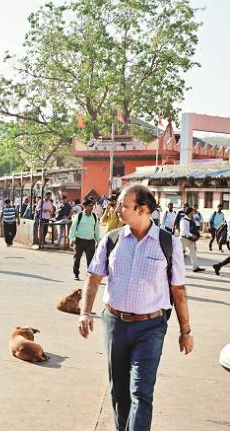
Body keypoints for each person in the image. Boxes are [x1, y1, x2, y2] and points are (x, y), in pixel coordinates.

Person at [79, 184, 193, 431]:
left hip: (150, 328)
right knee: (119, 392)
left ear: (143, 209)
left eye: (123, 204)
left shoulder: (168, 244)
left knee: (141, 392)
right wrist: (85, 312)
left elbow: (178, 291)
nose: (117, 208)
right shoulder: (112, 239)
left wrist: (186, 331)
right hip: (114, 324)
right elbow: (94, 277)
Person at [69, 199, 100, 281]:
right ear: (85, 206)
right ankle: (76, 274)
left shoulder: (94, 216)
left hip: (90, 241)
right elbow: (73, 228)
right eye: (89, 206)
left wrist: (98, 241)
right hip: (79, 240)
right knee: (77, 258)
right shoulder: (79, 216)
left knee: (91, 259)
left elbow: (96, 230)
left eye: (92, 206)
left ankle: (89, 276)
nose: (91, 207)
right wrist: (72, 239)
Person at [179, 207, 204, 273]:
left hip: (190, 240)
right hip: (183, 239)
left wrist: (197, 235)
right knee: (177, 254)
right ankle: (171, 266)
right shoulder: (183, 220)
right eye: (192, 212)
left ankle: (195, 267)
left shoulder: (191, 220)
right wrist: (192, 235)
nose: (193, 213)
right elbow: (183, 231)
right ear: (189, 213)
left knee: (193, 253)